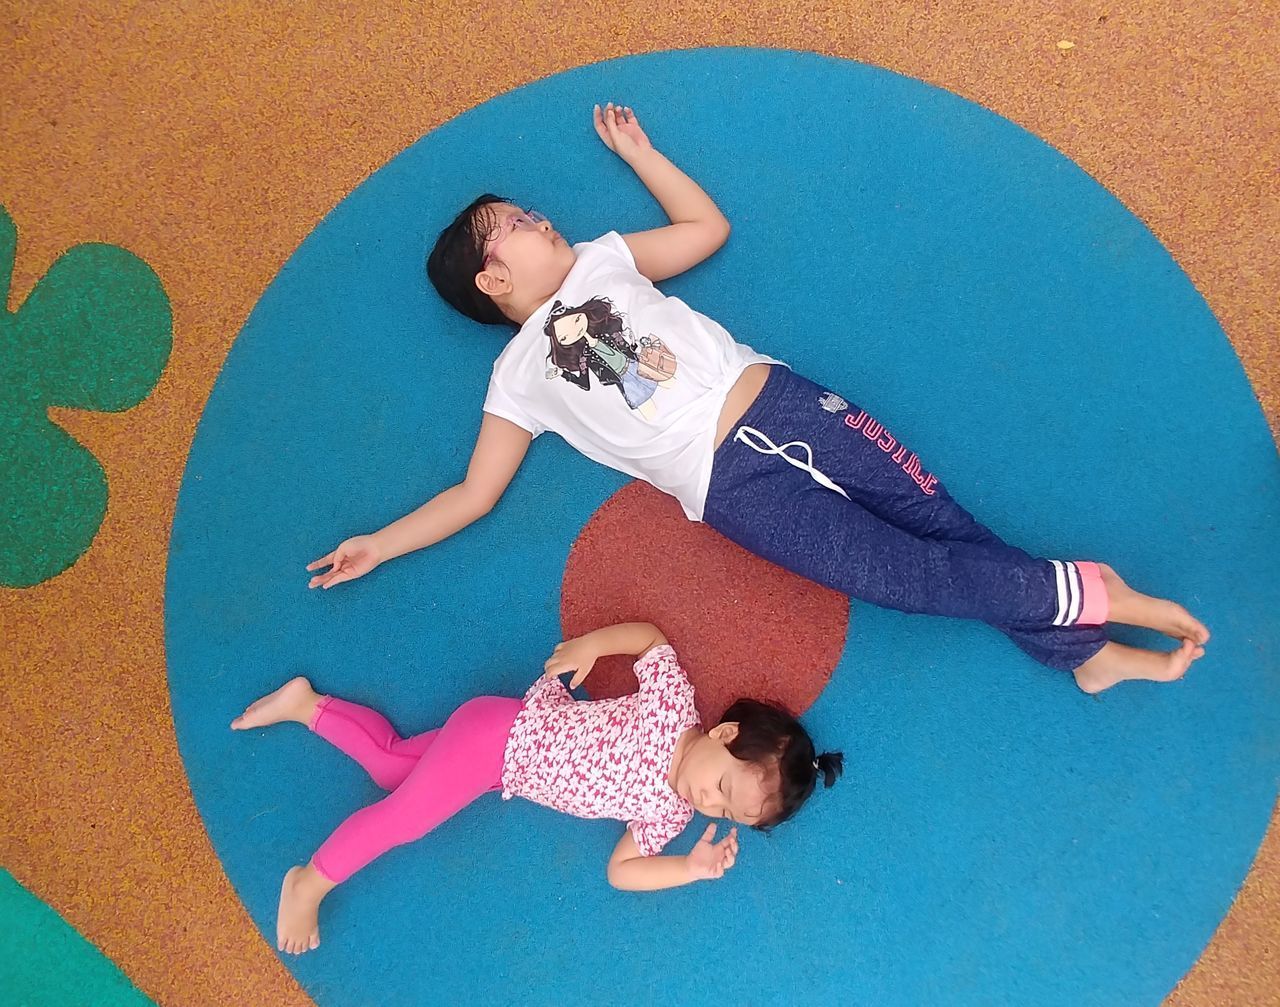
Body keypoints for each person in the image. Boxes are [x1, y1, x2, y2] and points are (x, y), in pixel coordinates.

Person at [307, 102, 1209, 695]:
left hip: (784, 401)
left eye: (532, 210)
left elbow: (706, 229)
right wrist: (377, 544)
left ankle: (1077, 649)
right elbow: (475, 491)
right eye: (516, 223)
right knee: (898, 574)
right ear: (494, 275)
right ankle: (1089, 596)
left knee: (943, 522)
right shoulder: (517, 379)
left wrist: (644, 155)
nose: (541, 217)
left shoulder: (604, 258)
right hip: (732, 490)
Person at [230, 622, 842, 954]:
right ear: (723, 733)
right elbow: (652, 640)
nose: (709, 802)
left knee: (395, 769)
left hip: (501, 765)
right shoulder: (673, 707)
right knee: (404, 819)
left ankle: (307, 705)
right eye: (721, 786)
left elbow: (623, 871)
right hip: (502, 734)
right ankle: (308, 881)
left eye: (725, 812)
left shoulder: (668, 815)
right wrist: (595, 644)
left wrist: (691, 868)